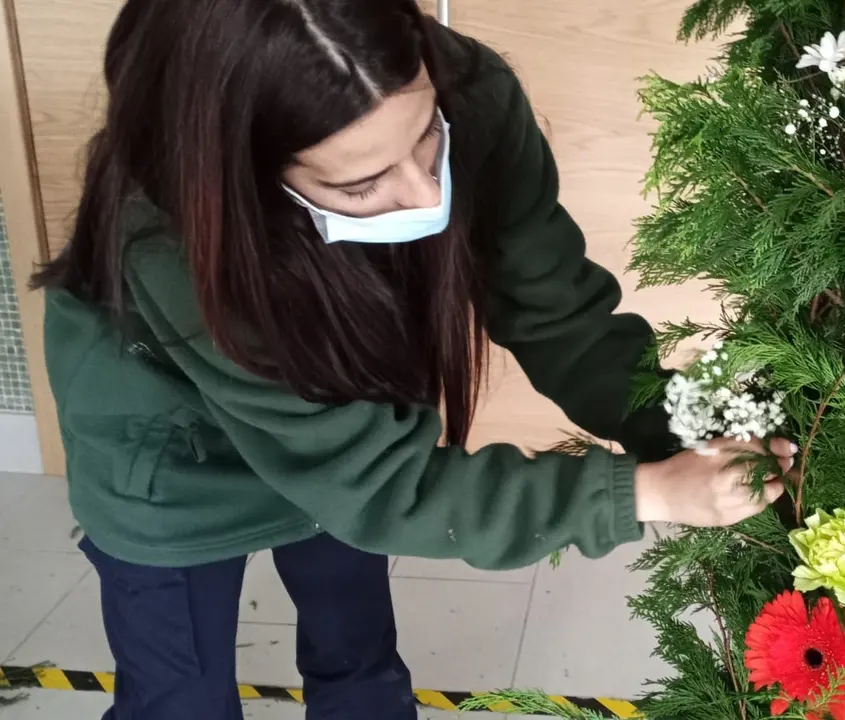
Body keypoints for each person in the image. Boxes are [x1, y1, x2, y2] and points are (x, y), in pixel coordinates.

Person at [31, 1, 795, 718]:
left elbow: (560, 316)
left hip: (346, 406)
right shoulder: (179, 243)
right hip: (171, 461)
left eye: (428, 133)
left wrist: (683, 432)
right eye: (362, 185)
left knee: (359, 661)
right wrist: (645, 495)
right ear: (247, 181)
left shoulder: (467, 89)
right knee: (178, 695)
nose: (425, 188)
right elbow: (383, 490)